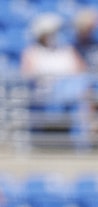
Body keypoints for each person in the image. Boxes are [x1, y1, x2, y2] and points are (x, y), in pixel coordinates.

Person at [20, 12, 91, 149]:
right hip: (44, 95)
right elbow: (28, 75)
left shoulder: (67, 50)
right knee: (72, 91)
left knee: (78, 92)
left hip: (69, 95)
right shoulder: (32, 52)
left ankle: (80, 144)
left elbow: (81, 71)